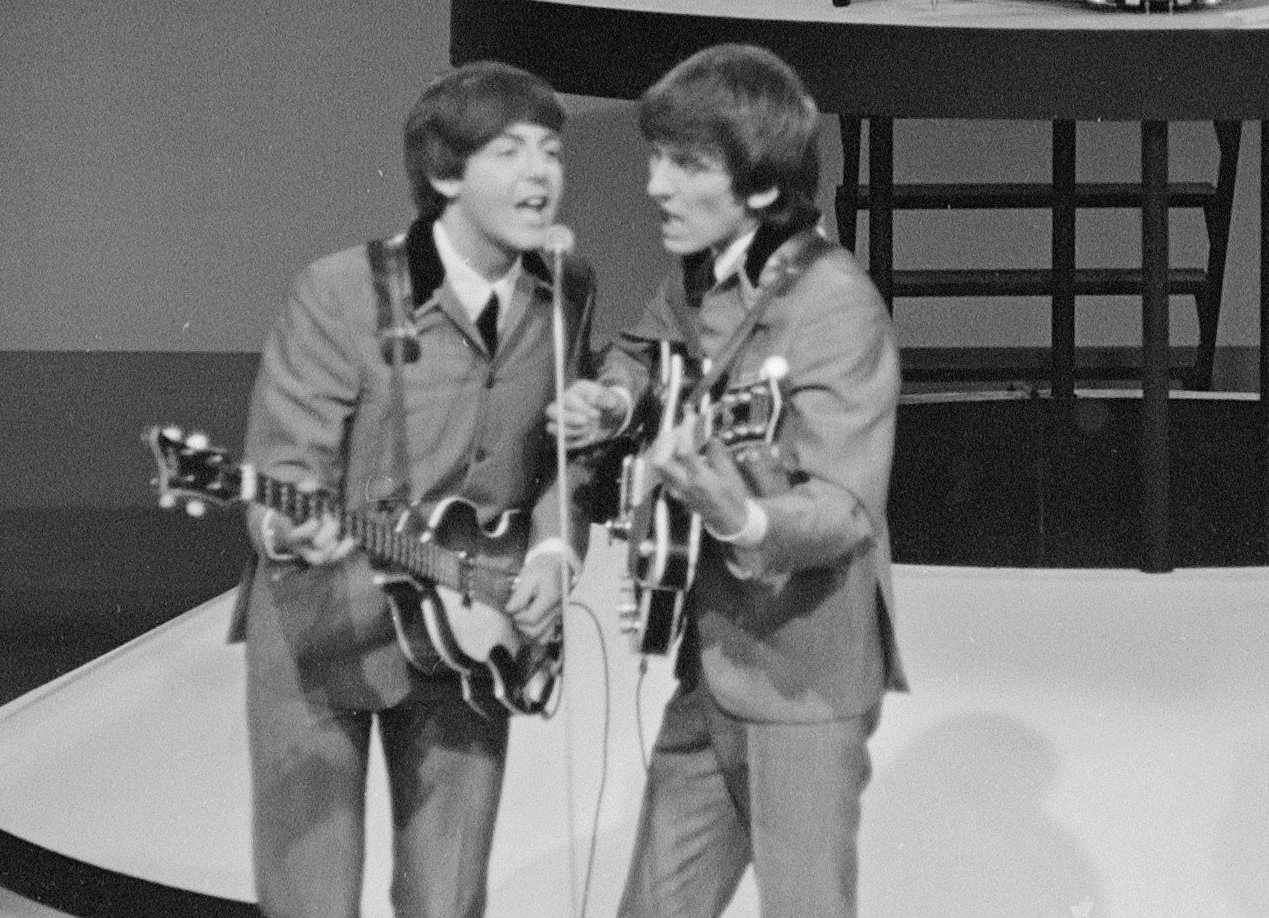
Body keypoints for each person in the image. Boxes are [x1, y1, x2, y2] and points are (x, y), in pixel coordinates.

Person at [548, 43, 907, 918]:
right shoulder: (703, 276)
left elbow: (844, 510)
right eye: (656, 158)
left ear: (758, 187)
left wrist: (742, 518)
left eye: (685, 164)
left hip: (801, 686)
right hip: (705, 668)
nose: (655, 186)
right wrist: (612, 399)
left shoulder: (835, 306)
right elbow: (643, 349)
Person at [230, 61, 595, 918]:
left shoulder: (564, 290)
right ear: (444, 175)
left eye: (550, 150)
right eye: (510, 152)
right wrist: (290, 531)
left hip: (472, 631)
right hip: (325, 630)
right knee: (310, 901)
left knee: (449, 901)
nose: (540, 174)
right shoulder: (339, 292)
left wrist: (550, 548)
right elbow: (281, 475)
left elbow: (566, 458)